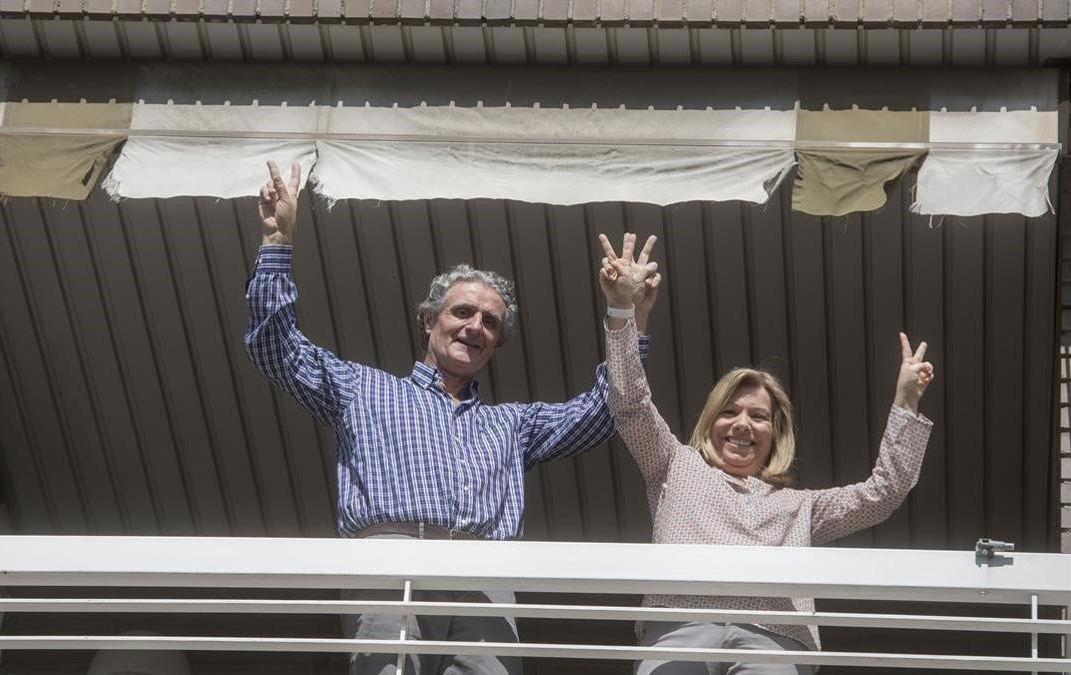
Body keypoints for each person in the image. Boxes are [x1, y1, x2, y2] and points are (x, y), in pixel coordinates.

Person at [244, 161, 657, 675]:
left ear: (497, 343)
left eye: (490, 322)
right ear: (428, 320)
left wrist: (627, 315)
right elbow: (274, 346)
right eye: (462, 312)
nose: (475, 327)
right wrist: (277, 241)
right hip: (391, 565)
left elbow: (607, 410)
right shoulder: (363, 389)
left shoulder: (512, 424)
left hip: (485, 576)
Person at [597, 233, 935, 675]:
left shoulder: (801, 507)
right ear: (710, 420)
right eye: (730, 412)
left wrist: (906, 401)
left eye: (758, 417)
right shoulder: (673, 464)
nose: (741, 424)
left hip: (774, 635)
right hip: (682, 623)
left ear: (775, 434)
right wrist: (624, 311)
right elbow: (630, 404)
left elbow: (883, 493)